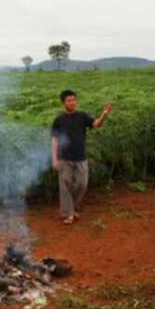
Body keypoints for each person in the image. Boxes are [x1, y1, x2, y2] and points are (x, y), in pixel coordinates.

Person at [51, 90, 112, 225]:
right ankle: (69, 213)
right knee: (65, 186)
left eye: (74, 100)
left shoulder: (82, 116)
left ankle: (71, 208)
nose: (72, 102)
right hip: (64, 158)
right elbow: (55, 140)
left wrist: (104, 114)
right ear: (63, 103)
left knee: (82, 185)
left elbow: (96, 124)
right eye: (69, 100)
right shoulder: (59, 120)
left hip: (80, 157)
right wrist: (54, 159)